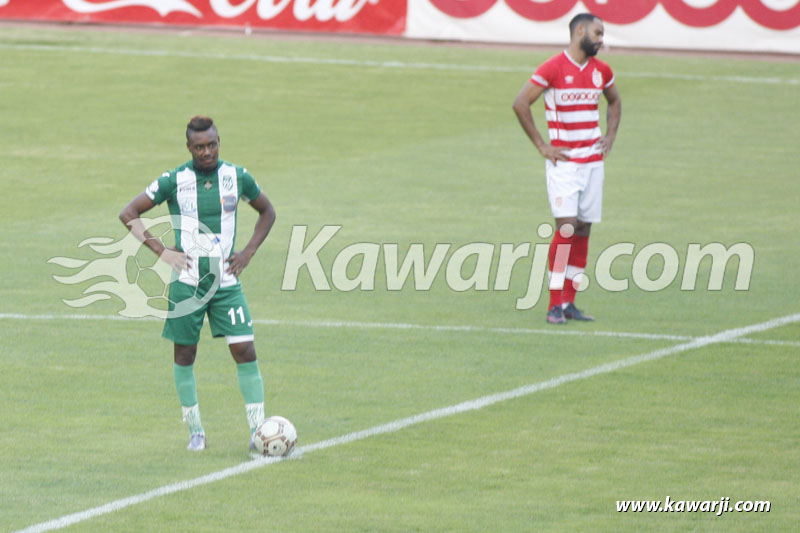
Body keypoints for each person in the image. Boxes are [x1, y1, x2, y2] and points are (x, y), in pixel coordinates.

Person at [119, 115, 276, 451]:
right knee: (185, 354)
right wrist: (161, 251)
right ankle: (196, 433)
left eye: (213, 144)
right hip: (187, 283)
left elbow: (268, 212)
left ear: (219, 142)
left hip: (227, 283)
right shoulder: (174, 180)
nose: (208, 152)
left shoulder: (237, 176)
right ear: (189, 147)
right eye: (200, 147)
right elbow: (129, 213)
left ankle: (257, 432)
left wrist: (247, 252)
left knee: (245, 350)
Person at [513, 13, 621, 325]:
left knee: (585, 227)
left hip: (592, 164)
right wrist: (542, 145)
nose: (602, 39)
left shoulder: (602, 71)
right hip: (564, 165)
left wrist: (610, 136)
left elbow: (614, 101)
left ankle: (570, 302)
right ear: (580, 32)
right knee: (567, 227)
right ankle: (553, 304)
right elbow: (520, 103)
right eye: (598, 33)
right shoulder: (553, 68)